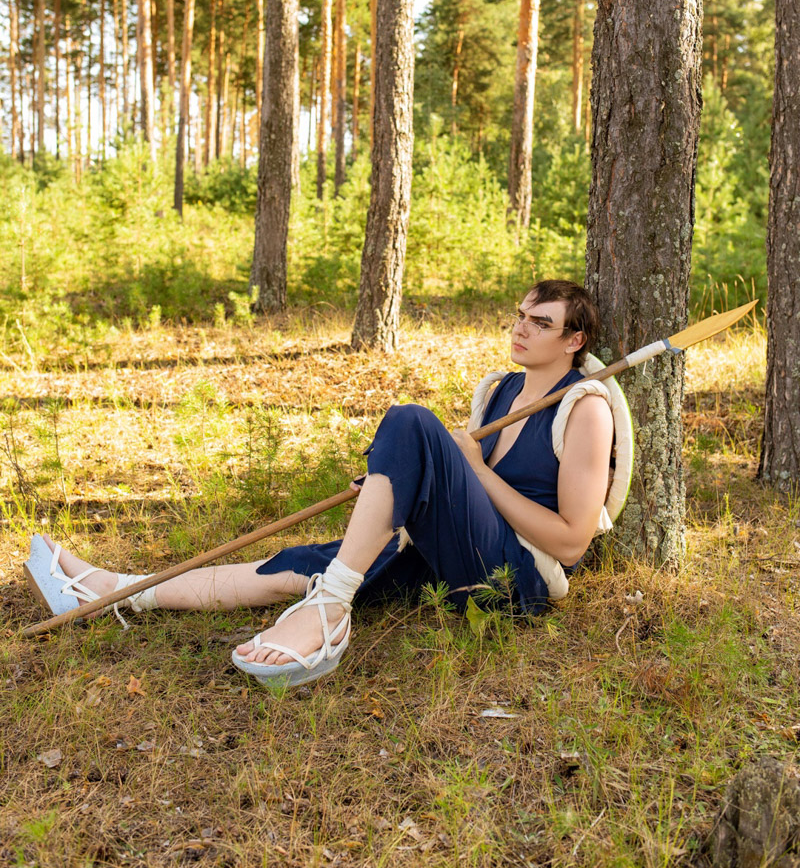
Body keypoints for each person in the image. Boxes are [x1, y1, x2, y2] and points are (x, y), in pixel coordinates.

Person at [25, 279, 614, 689]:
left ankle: (330, 610)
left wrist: (477, 471)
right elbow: (458, 492)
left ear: (574, 341)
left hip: (514, 582)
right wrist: (394, 480)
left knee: (412, 420)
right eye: (520, 315)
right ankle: (113, 591)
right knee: (299, 565)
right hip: (457, 554)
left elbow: (570, 543)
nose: (521, 329)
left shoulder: (584, 410)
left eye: (541, 323)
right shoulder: (500, 391)